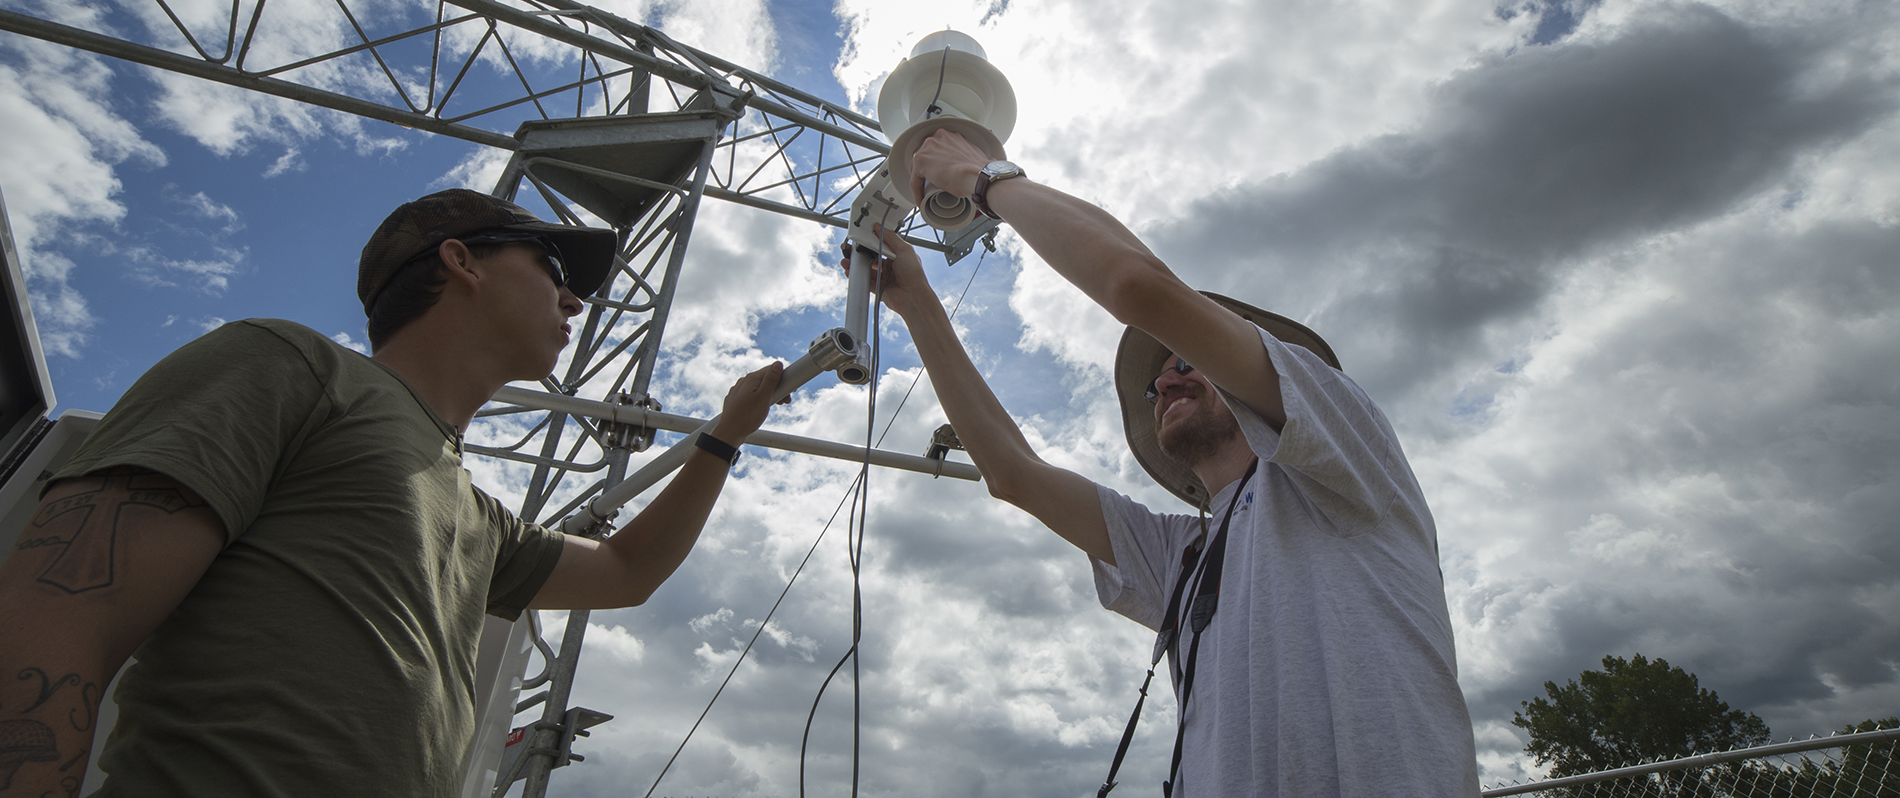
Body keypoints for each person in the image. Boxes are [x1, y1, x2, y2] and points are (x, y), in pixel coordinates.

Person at [0, 188, 784, 797]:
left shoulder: (478, 516)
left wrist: (724, 438)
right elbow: (62, 615)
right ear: (462, 260)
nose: (576, 301)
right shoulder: (292, 368)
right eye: (552, 267)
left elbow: (624, 572)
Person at [851, 131, 1481, 796]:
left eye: (1186, 358)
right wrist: (916, 302)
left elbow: (1137, 285)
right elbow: (1013, 472)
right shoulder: (1183, 554)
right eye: (1157, 382)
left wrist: (986, 180)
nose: (1167, 382)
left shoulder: (1344, 440)